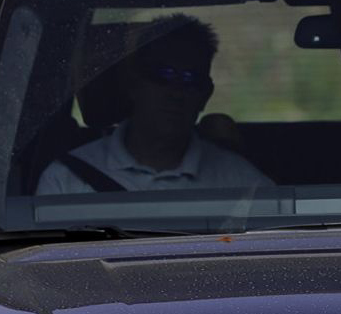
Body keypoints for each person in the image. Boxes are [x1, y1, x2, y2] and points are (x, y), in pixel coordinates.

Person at [37, 14, 272, 194]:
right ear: (133, 84)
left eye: (191, 79)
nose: (176, 92)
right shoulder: (66, 179)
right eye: (163, 76)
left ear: (205, 94)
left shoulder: (243, 184)